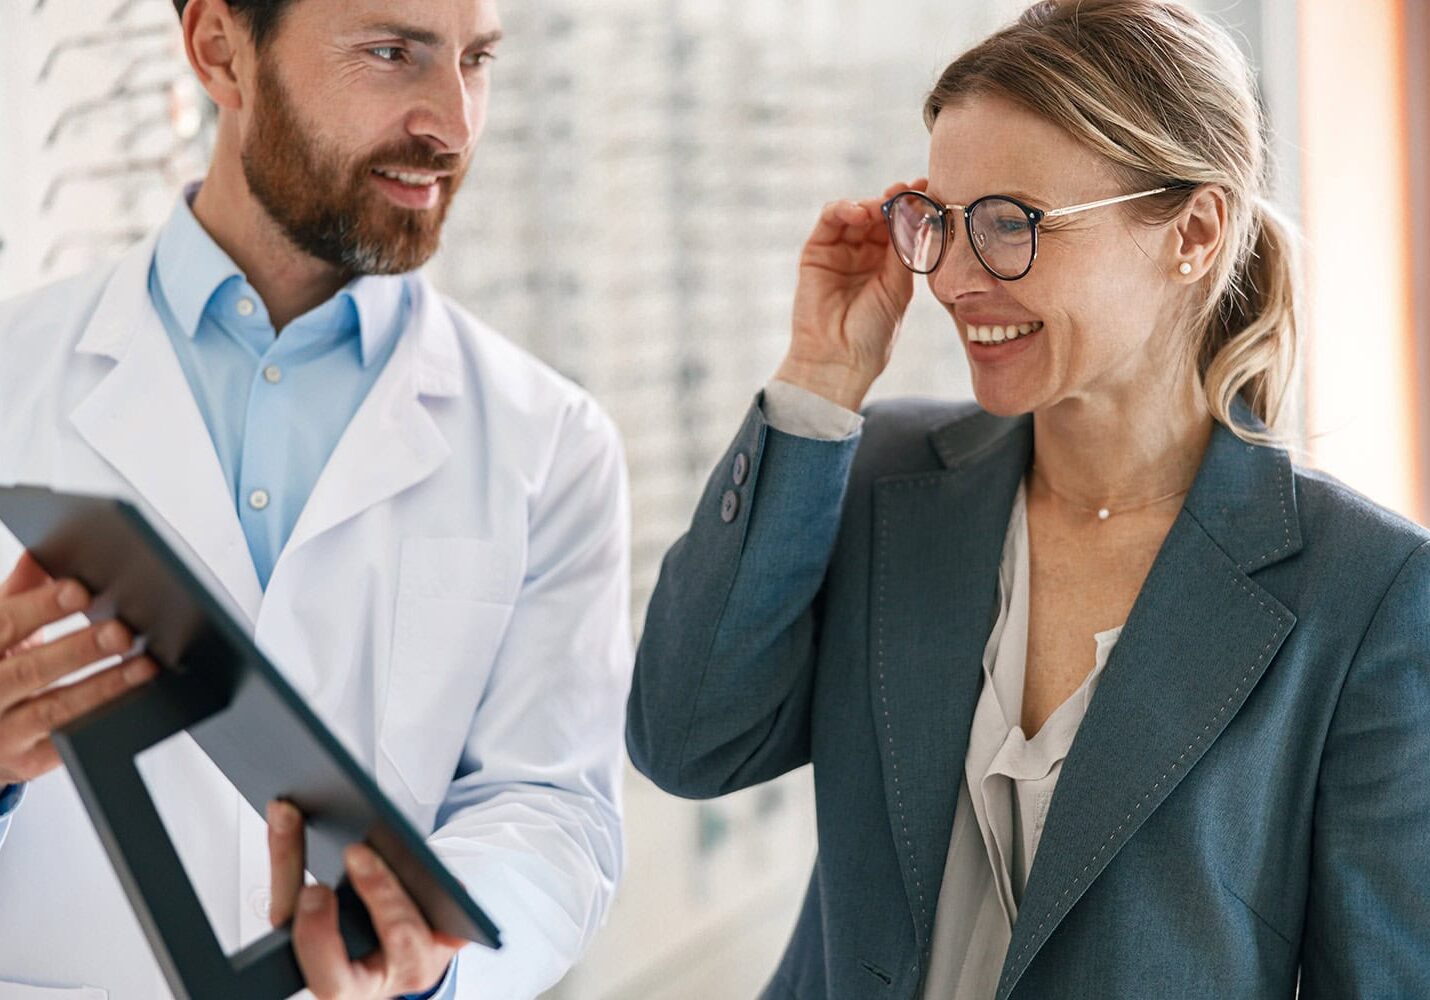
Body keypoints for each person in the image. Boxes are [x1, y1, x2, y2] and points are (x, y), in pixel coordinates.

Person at [627, 1, 1430, 997]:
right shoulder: (877, 476)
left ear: (1191, 230)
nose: (956, 278)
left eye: (1010, 224)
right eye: (940, 221)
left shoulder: (1365, 591)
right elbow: (688, 740)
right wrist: (818, 377)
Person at [0, 0, 632, 997]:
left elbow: (550, 804)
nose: (453, 125)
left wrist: (432, 963)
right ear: (220, 51)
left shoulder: (550, 442)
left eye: (474, 60)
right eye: (391, 53)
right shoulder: (12, 377)